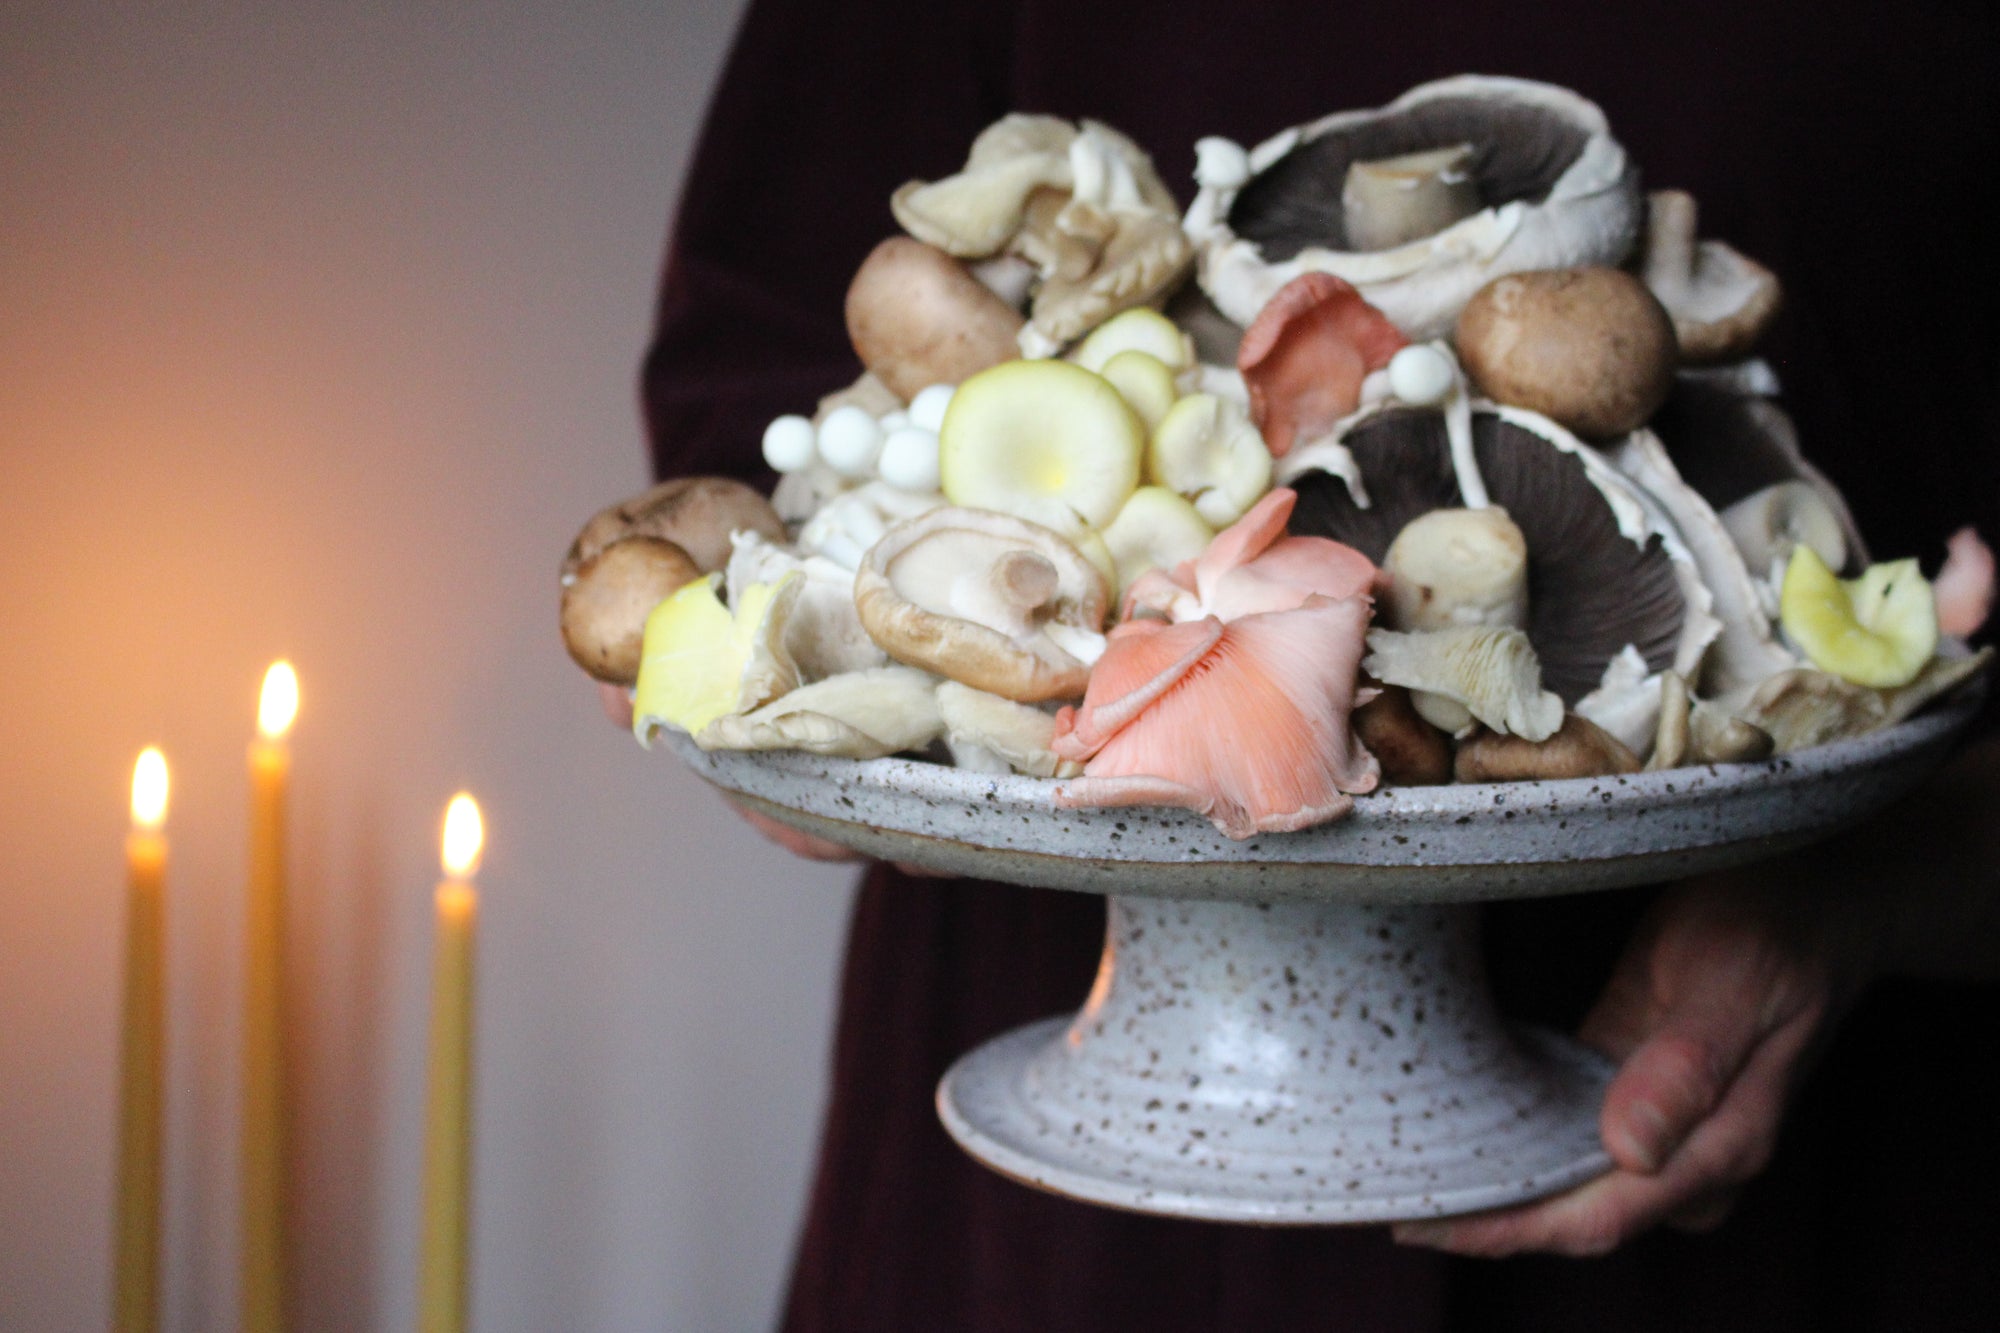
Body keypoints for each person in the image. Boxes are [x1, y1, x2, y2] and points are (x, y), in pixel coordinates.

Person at [637, 0, 2000, 1326]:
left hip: (1748, 1192)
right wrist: (766, 660)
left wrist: (1888, 879)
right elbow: (742, 375)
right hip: (1057, 1202)